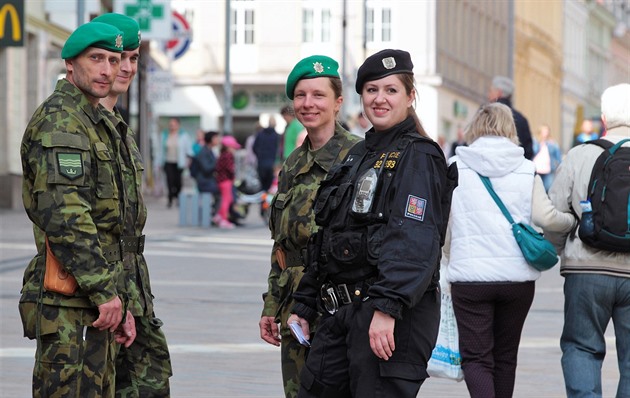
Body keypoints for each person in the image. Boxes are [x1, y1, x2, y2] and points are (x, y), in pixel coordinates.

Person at [287, 49, 457, 397]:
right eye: (371, 90)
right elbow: (330, 237)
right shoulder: (358, 154)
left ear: (410, 96)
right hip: (341, 312)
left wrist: (387, 308)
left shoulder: (419, 155)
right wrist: (304, 305)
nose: (379, 99)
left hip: (387, 317)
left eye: (391, 90)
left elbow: (415, 240)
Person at [18, 21, 134, 398]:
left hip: (94, 301)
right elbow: (68, 218)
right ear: (70, 64)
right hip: (69, 301)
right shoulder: (61, 121)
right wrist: (105, 292)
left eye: (114, 60)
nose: (106, 69)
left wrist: (119, 299)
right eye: (96, 58)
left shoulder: (93, 120)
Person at [444, 102, 576, 398]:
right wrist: (570, 220)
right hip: (517, 280)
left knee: (477, 359)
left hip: (470, 279)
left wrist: (447, 259)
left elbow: (445, 225)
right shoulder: (526, 168)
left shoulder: (454, 166)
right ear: (510, 129)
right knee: (505, 357)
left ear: (474, 128)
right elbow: (546, 218)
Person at [258, 55, 362, 398]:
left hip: (339, 307)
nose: (308, 104)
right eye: (301, 96)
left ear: (338, 102)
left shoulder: (358, 158)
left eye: (318, 95)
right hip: (294, 309)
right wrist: (271, 307)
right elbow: (281, 247)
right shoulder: (293, 163)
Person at [93, 13, 173, 397]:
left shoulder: (118, 127)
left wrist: (130, 301)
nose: (123, 67)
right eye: (114, 56)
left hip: (131, 294)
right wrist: (108, 296)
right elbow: (68, 221)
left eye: (132, 57)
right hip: (91, 299)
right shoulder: (75, 124)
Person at [547, 83, 630, 398]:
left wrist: (554, 250)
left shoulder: (581, 153)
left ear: (605, 118)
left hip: (586, 268)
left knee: (581, 348)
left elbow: (555, 212)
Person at [488, 75, 534, 160]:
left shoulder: (486, 114)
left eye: (490, 91)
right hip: (515, 167)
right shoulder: (522, 119)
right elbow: (528, 151)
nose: (488, 95)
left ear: (499, 92)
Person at [161, 117, 193, 208]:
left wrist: (189, 160)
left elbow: (188, 149)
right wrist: (158, 163)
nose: (172, 126)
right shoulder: (165, 135)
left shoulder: (183, 135)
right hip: (168, 161)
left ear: (178, 125)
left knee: (178, 182)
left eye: (174, 125)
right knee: (170, 181)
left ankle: (178, 196)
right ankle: (170, 199)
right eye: (170, 125)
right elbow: (160, 150)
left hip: (179, 163)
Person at [214, 135, 241, 229]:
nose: (234, 149)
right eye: (233, 147)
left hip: (221, 180)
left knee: (228, 199)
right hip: (226, 180)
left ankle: (219, 216)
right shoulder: (228, 155)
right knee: (226, 200)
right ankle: (224, 219)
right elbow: (230, 169)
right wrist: (233, 177)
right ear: (228, 147)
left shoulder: (222, 155)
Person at [532, 124, 562, 192]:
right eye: (544, 131)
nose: (545, 133)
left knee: (548, 189)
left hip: (548, 170)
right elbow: (533, 151)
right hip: (536, 169)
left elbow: (558, 156)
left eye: (547, 131)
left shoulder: (552, 143)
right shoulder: (535, 141)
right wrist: (540, 143)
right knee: (536, 189)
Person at [253, 116, 280, 192]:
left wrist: (259, 156)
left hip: (261, 162)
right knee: (270, 186)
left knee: (262, 186)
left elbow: (254, 147)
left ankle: (262, 202)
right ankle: (268, 202)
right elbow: (278, 150)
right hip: (272, 163)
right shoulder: (276, 136)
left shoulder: (260, 134)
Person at [195, 130, 220, 196]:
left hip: (209, 180)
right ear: (211, 139)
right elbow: (206, 168)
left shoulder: (210, 151)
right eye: (216, 138)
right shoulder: (204, 152)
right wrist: (218, 162)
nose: (218, 140)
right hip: (205, 182)